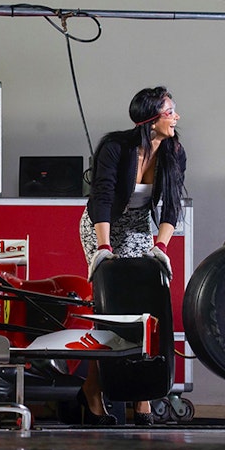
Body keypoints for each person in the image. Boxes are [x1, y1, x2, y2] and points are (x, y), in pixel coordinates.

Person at [79, 87, 186, 426]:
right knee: (109, 311)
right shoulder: (116, 146)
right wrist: (104, 248)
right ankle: (93, 391)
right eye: (170, 112)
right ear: (152, 118)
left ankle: (143, 398)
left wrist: (162, 246)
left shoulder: (174, 151)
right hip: (103, 226)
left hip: (140, 227)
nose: (176, 117)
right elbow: (102, 197)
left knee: (147, 309)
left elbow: (172, 203)